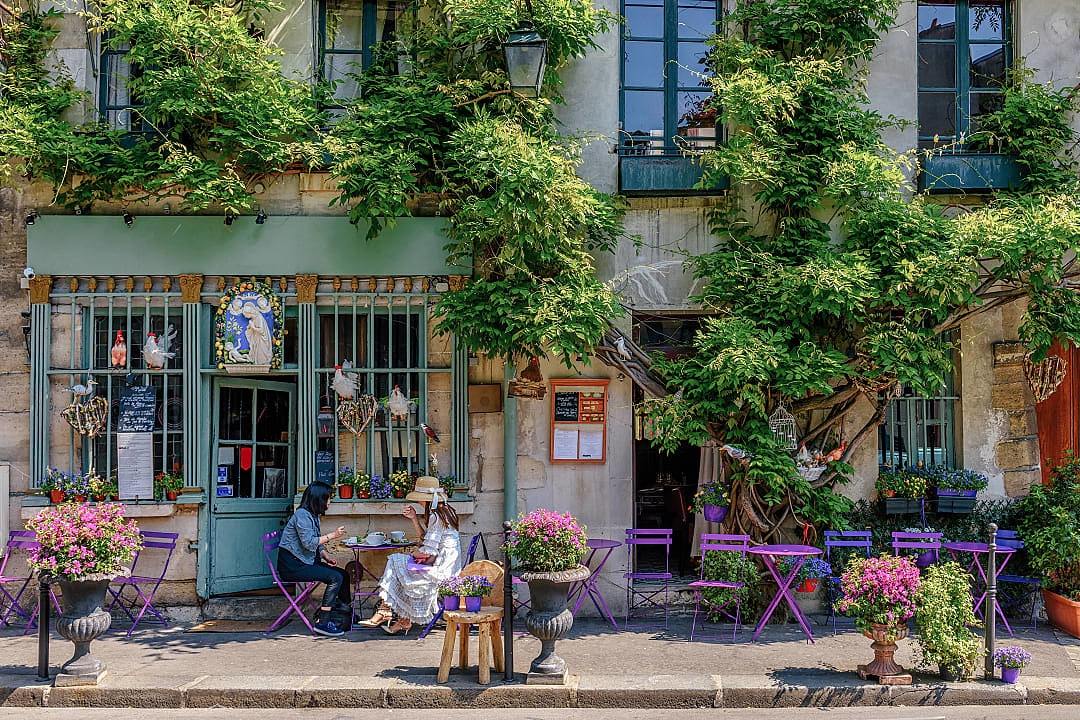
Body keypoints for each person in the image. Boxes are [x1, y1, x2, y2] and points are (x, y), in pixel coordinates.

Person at [359, 476, 461, 634]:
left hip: (441, 569)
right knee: (399, 566)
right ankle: (400, 619)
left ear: (426, 499)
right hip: (444, 564)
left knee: (395, 560)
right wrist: (414, 519)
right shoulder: (446, 513)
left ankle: (387, 611)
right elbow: (425, 540)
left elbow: (427, 552)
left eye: (420, 499)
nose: (419, 502)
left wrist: (412, 553)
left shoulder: (436, 516)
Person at [277, 482, 351, 637]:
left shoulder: (313, 514)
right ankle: (323, 623)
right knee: (335, 577)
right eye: (328, 499)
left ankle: (345, 615)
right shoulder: (302, 515)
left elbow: (316, 542)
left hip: (307, 561)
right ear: (318, 499)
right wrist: (333, 535)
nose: (330, 502)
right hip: (293, 566)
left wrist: (325, 556)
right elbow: (309, 542)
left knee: (344, 575)